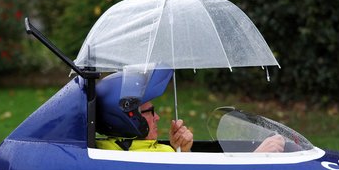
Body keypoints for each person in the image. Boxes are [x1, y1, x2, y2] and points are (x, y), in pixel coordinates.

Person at [95, 69, 285, 153]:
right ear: (129, 120)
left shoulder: (107, 147)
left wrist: (182, 151)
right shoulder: (157, 158)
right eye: (150, 111)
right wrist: (257, 156)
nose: (158, 116)